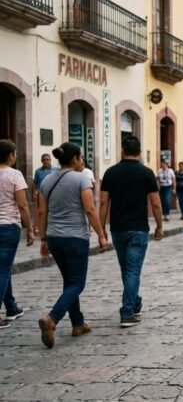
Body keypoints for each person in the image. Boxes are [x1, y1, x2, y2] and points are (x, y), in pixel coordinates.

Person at [38, 143, 108, 348]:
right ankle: (52, 319)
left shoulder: (46, 180)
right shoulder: (81, 178)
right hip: (75, 237)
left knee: (69, 280)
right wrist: (101, 235)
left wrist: (43, 239)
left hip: (54, 237)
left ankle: (78, 323)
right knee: (77, 283)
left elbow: (42, 212)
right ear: (76, 159)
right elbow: (90, 208)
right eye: (81, 157)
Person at [99, 136, 163, 328]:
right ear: (139, 151)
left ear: (122, 150)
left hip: (118, 228)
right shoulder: (146, 173)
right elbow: (156, 203)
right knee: (132, 270)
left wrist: (101, 228)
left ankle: (135, 303)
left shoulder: (110, 173)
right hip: (138, 228)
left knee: (126, 270)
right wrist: (159, 225)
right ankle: (127, 312)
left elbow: (103, 203)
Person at [0, 140, 33, 329]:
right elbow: (22, 205)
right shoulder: (14, 175)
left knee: (4, 268)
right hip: (8, 226)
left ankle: (11, 307)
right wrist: (29, 228)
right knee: (3, 269)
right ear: (11, 156)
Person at [32, 153, 56, 234]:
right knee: (41, 212)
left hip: (53, 194)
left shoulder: (56, 170)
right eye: (44, 160)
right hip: (41, 195)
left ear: (50, 160)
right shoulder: (38, 171)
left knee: (51, 211)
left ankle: (51, 229)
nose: (46, 161)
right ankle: (42, 229)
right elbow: (35, 183)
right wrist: (34, 194)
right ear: (42, 161)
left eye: (47, 159)